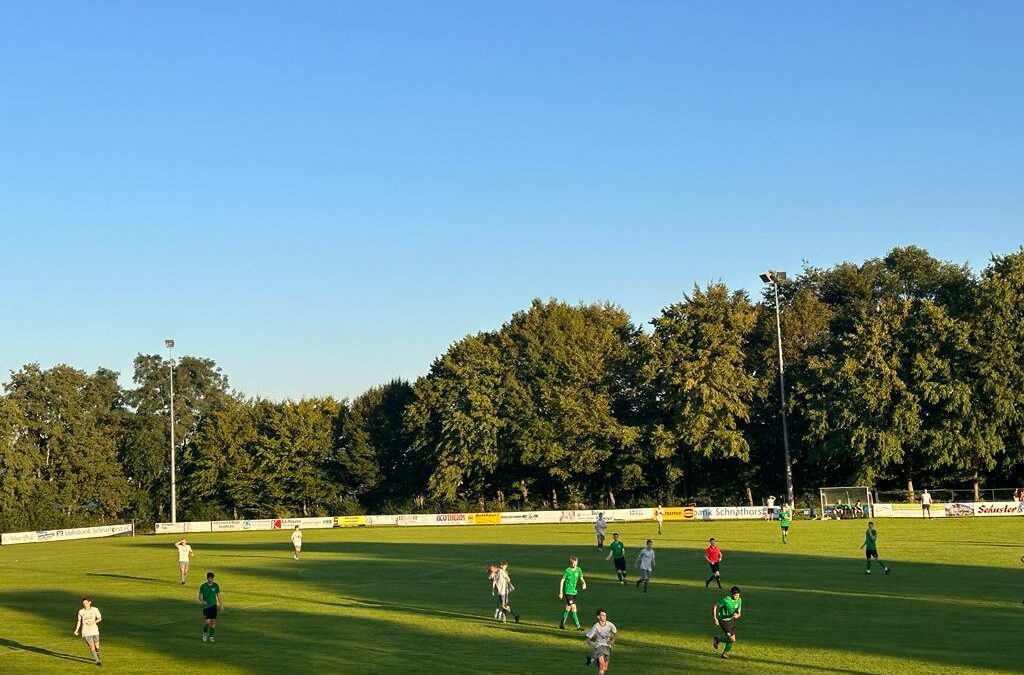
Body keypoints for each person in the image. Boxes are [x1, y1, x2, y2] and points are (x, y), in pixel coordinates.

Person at [712, 586, 743, 660]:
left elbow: (739, 613)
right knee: (732, 639)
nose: (737, 597)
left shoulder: (739, 600)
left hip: (731, 621)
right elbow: (715, 606)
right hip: (723, 621)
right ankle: (718, 640)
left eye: (738, 595)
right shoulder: (726, 600)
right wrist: (715, 618)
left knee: (732, 639)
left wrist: (737, 615)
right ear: (731, 594)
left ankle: (723, 652)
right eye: (736, 595)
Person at [584, 609, 617, 674]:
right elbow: (588, 637)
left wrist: (612, 641)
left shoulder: (610, 624)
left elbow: (615, 633)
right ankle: (594, 660)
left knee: (604, 668)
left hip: (607, 647)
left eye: (605, 615)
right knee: (601, 664)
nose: (605, 617)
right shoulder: (596, 626)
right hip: (599, 647)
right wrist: (591, 644)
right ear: (598, 617)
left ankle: (592, 660)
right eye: (603, 615)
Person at [558, 556, 587, 631]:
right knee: (574, 607)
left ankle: (561, 624)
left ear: (577, 562)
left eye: (575, 563)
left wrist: (584, 583)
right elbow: (562, 581)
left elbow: (581, 579)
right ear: (570, 563)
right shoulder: (567, 570)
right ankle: (578, 627)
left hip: (574, 592)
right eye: (572, 563)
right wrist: (561, 592)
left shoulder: (579, 570)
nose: (574, 565)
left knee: (568, 607)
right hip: (568, 592)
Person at [73, 595, 103, 666]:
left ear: (90, 602)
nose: (85, 604)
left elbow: (99, 618)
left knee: (97, 645)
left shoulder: (95, 609)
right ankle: (97, 661)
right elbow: (79, 621)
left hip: (94, 630)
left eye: (86, 603)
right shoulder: (81, 611)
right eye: (84, 603)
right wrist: (76, 630)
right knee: (91, 646)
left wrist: (92, 622)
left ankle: (97, 652)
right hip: (86, 632)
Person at [198, 572, 225, 642]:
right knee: (207, 622)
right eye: (208, 578)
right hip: (206, 607)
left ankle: (211, 636)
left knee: (213, 622)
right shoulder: (203, 586)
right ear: (207, 578)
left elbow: (218, 595)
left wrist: (221, 605)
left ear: (213, 578)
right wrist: (202, 601)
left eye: (211, 578)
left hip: (213, 606)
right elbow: (200, 596)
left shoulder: (216, 586)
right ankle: (204, 634)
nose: (210, 580)